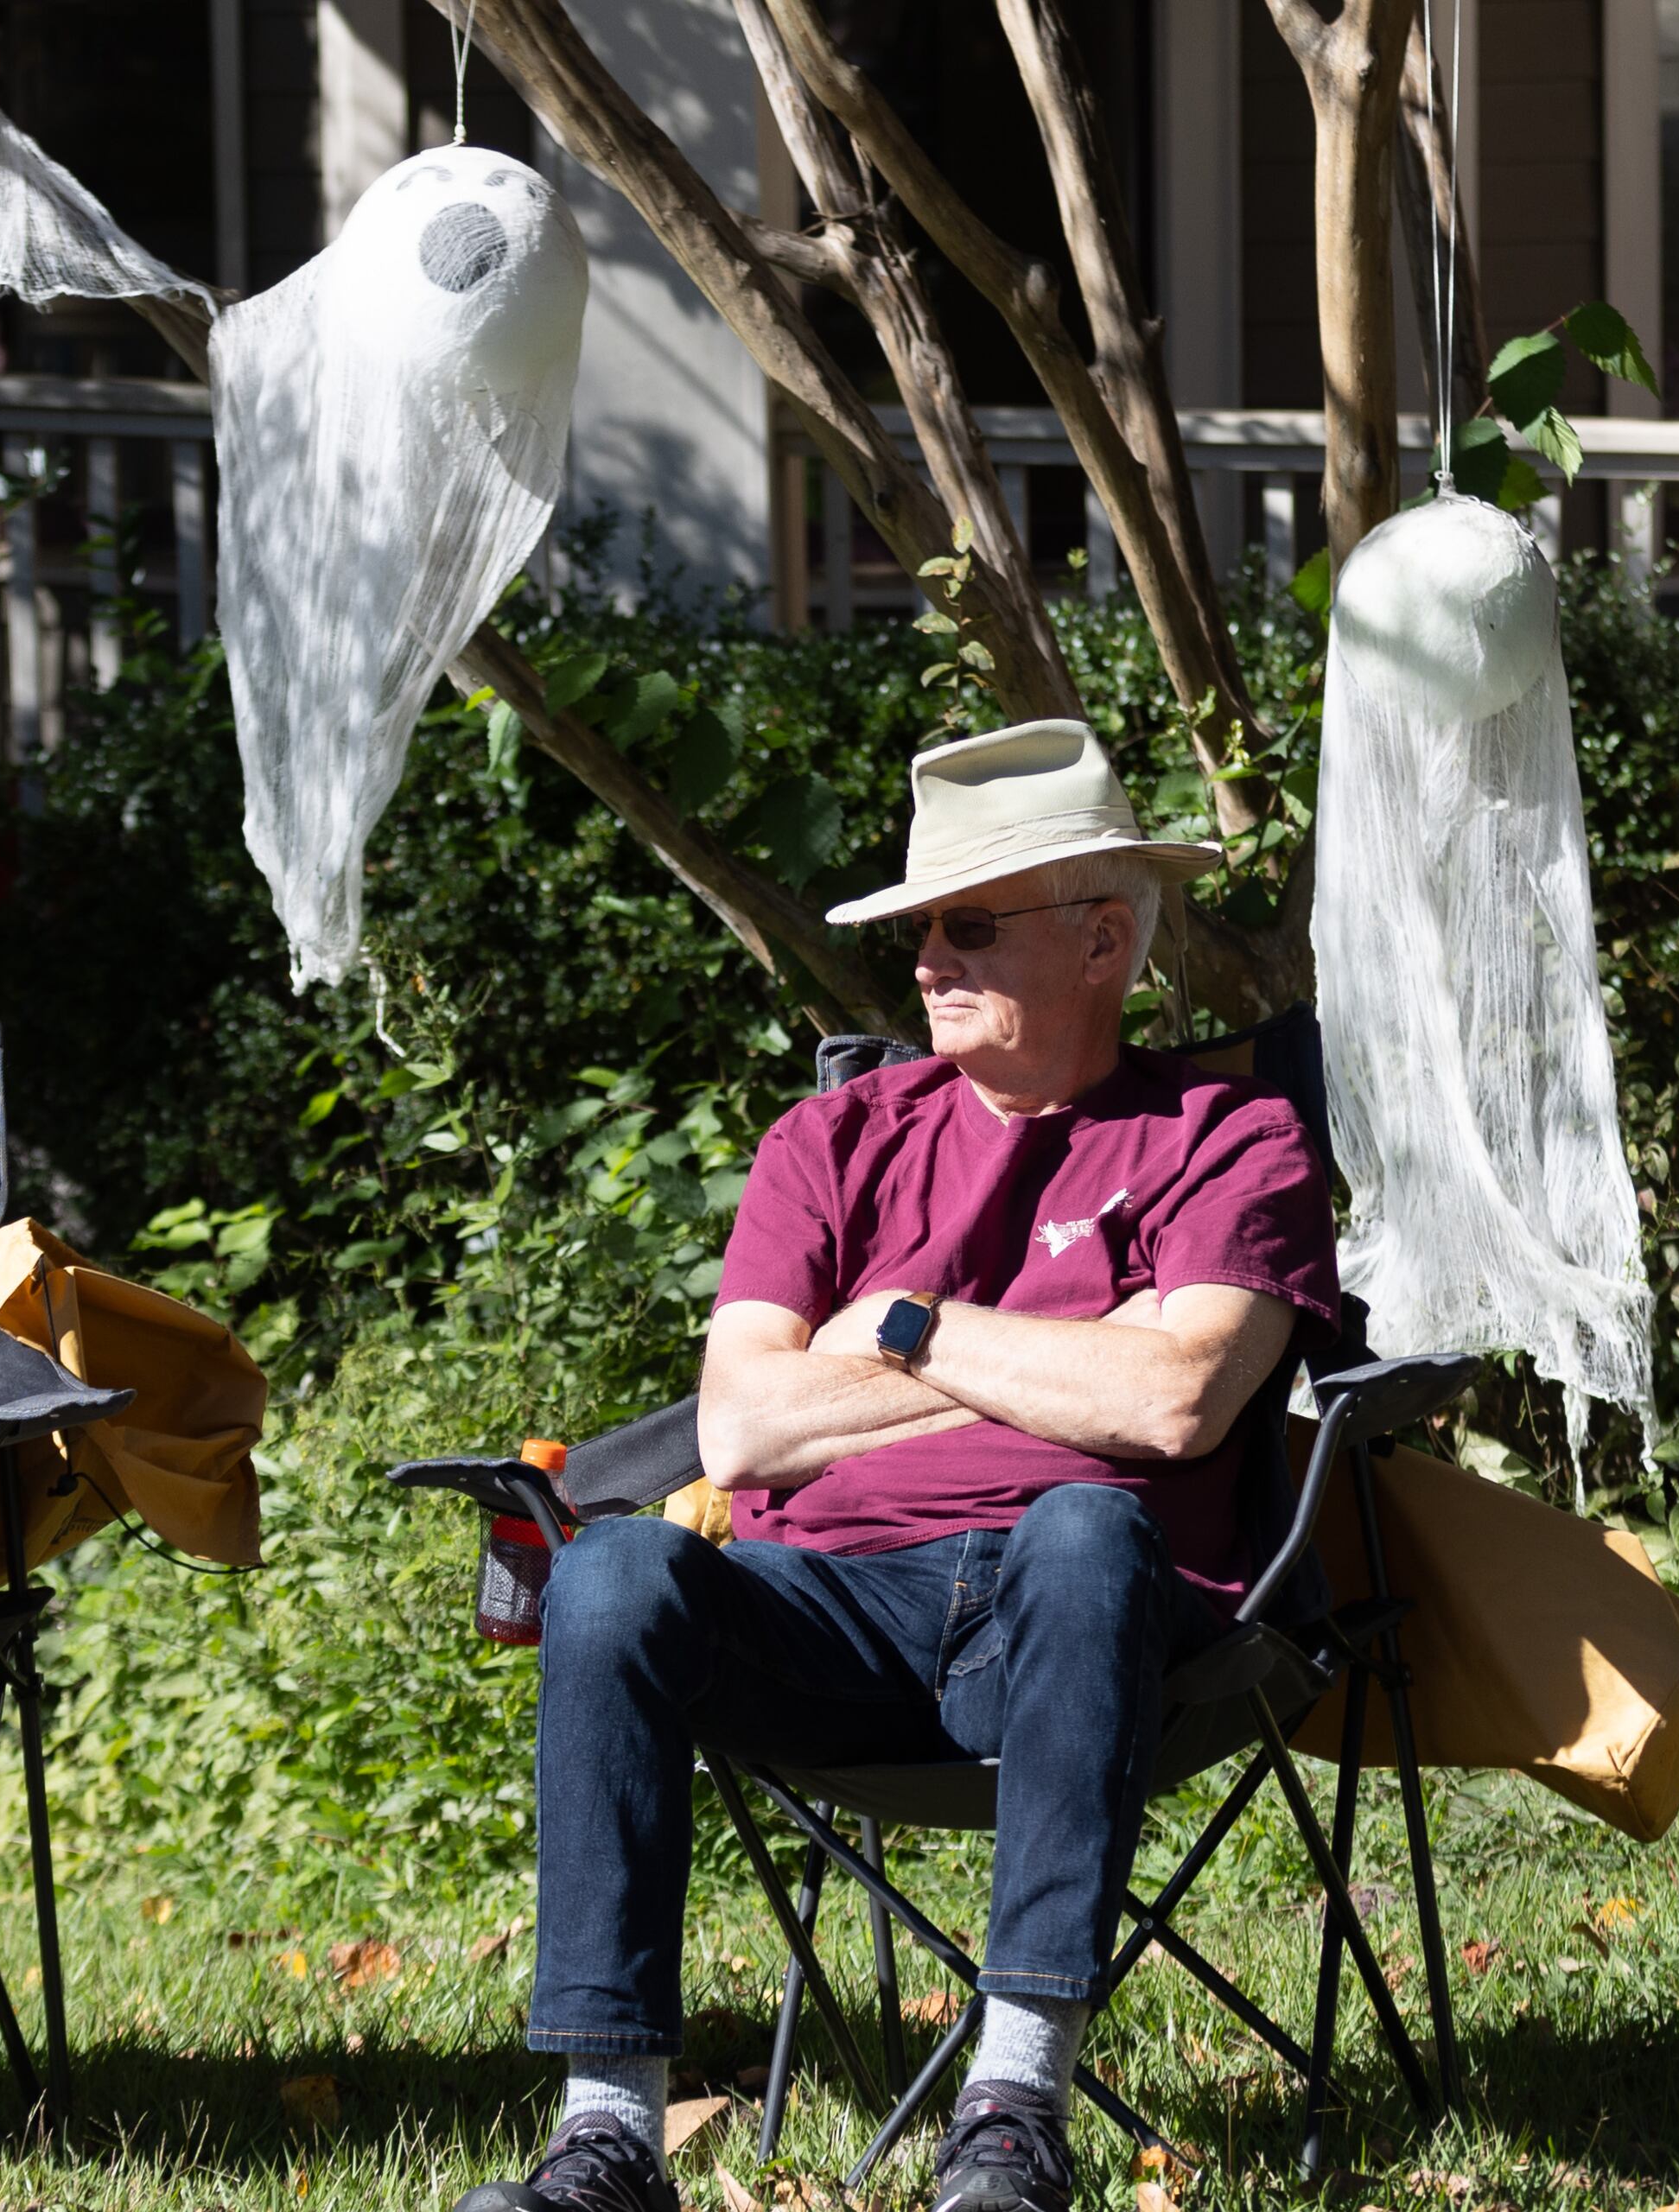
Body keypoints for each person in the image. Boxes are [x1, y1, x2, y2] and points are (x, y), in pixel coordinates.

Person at [452, 722, 1341, 2212]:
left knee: (1083, 1527)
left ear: (1107, 940)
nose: (926, 958)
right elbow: (739, 1431)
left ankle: (1011, 2112)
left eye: (969, 925)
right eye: (920, 927)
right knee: (612, 1573)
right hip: (828, 1611)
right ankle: (606, 2135)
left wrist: (907, 1331)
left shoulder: (1229, 1134)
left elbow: (1180, 1406)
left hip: (1089, 1623)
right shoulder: (833, 1140)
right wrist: (1068, 1361)